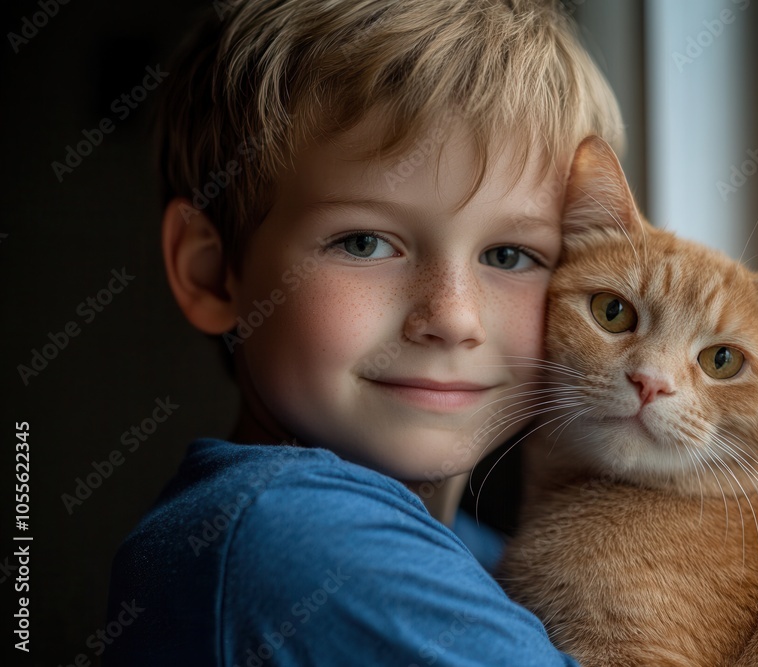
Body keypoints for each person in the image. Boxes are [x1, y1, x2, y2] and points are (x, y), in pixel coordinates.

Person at [104, 0, 623, 664]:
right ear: (211, 273)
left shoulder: (487, 557)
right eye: (365, 242)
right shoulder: (293, 537)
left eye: (510, 256)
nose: (453, 317)